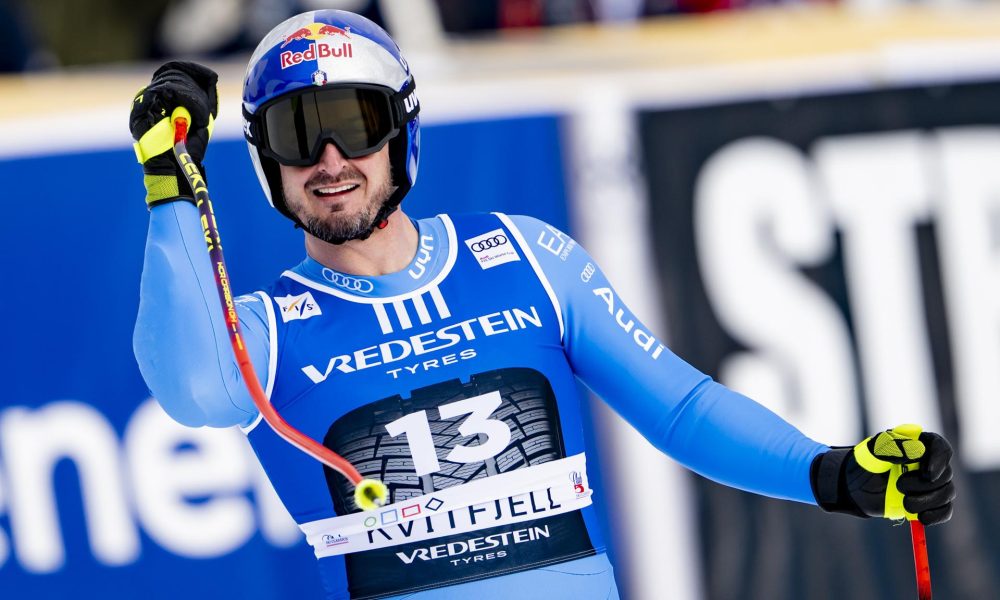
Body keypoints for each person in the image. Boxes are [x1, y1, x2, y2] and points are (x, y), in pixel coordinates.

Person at [130, 9, 955, 600]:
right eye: (295, 132)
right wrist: (169, 190)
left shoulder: (529, 255)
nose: (330, 158)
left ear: (404, 132)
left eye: (354, 121)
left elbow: (682, 408)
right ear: (264, 164)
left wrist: (830, 473)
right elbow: (191, 388)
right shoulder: (263, 332)